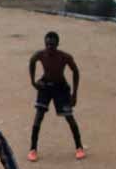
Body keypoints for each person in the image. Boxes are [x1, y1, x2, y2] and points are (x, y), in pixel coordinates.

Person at [27, 31, 85, 161]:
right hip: (45, 86)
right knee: (38, 117)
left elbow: (75, 71)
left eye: (52, 45)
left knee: (69, 117)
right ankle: (33, 149)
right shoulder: (40, 54)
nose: (49, 47)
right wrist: (33, 82)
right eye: (47, 44)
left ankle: (79, 147)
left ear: (57, 44)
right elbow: (32, 61)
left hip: (61, 88)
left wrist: (74, 93)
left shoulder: (64, 57)